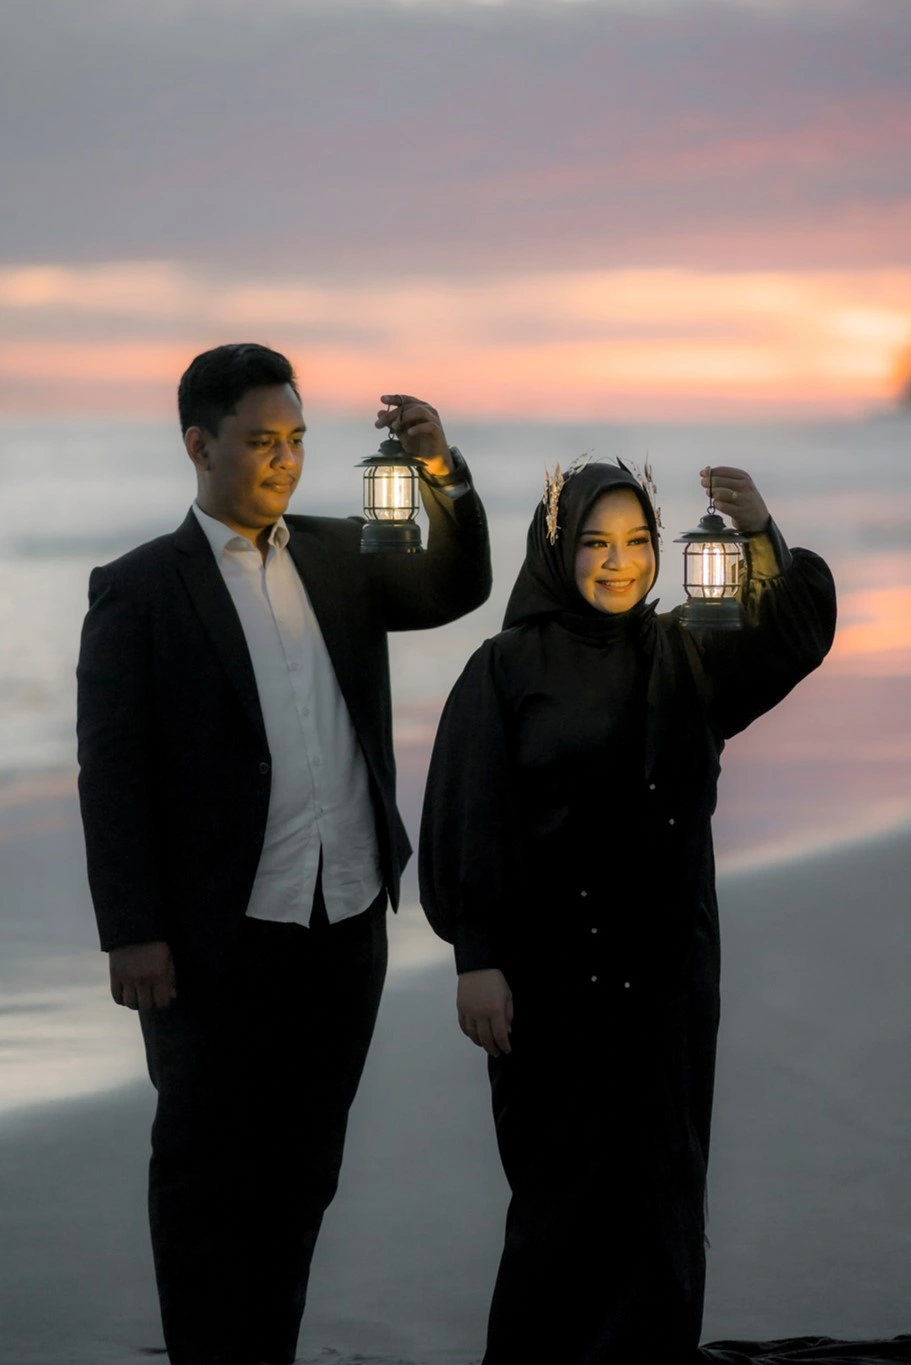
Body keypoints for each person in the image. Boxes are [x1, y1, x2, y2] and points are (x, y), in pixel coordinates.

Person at [420, 460, 911, 1364]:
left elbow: (794, 633)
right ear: (557, 549)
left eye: (639, 541)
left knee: (660, 1186)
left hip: (667, 971)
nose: (621, 562)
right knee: (559, 1192)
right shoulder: (503, 667)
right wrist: (476, 955)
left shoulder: (687, 652)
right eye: (596, 543)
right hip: (549, 977)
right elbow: (468, 810)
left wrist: (758, 529)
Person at [76, 342, 491, 1365]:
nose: (285, 461)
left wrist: (440, 471)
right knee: (204, 1175)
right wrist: (133, 931)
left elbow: (454, 586)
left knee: (304, 1171)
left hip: (343, 919)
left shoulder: (344, 554)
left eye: (297, 440)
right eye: (262, 441)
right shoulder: (138, 589)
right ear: (199, 444)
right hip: (213, 939)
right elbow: (113, 773)